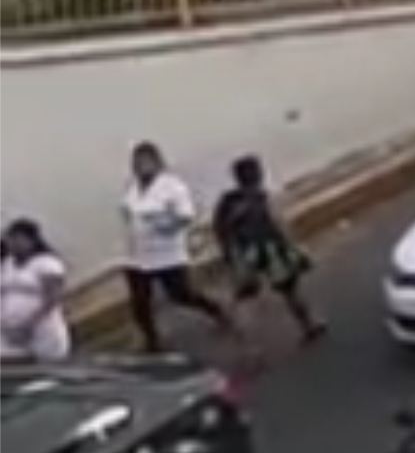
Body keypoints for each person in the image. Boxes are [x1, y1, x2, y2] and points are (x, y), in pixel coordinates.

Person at [118, 143, 237, 350]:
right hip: (137, 255)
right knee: (140, 303)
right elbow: (128, 211)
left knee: (182, 294)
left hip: (166, 254)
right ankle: (152, 339)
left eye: (145, 162)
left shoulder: (172, 187)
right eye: (136, 163)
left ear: (157, 162)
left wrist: (161, 224)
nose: (139, 167)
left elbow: (185, 216)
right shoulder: (133, 188)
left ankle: (218, 312)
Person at [212, 155, 322, 342]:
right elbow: (279, 226)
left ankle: (238, 333)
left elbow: (220, 230)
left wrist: (230, 259)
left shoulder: (228, 202)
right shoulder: (262, 198)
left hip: (246, 256)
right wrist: (298, 250)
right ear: (258, 175)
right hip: (272, 252)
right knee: (290, 291)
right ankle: (309, 325)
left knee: (247, 295)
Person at [0, 219, 69, 365]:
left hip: (41, 327)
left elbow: (53, 297)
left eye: (19, 240)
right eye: (11, 240)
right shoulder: (8, 263)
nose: (14, 244)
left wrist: (30, 321)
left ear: (31, 240)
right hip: (10, 329)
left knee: (44, 363)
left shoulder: (47, 263)